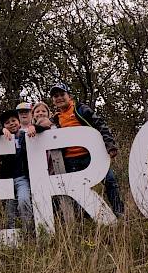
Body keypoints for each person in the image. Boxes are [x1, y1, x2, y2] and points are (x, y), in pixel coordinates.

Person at [40, 82, 124, 215]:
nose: (59, 98)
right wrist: (36, 126)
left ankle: (120, 213)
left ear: (69, 96)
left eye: (62, 94)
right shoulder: (55, 119)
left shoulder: (81, 109)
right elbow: (41, 126)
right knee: (76, 191)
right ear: (53, 100)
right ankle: (86, 220)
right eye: (56, 96)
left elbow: (100, 124)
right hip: (70, 160)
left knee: (110, 181)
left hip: (92, 156)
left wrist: (110, 145)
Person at [0, 107, 47, 231]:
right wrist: (1, 131)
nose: (11, 123)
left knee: (24, 200)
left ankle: (28, 229)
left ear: (19, 122)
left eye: (14, 120)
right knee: (9, 208)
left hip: (22, 177)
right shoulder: (1, 138)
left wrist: (34, 127)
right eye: (7, 123)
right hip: (7, 178)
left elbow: (44, 130)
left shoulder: (25, 135)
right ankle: (11, 233)